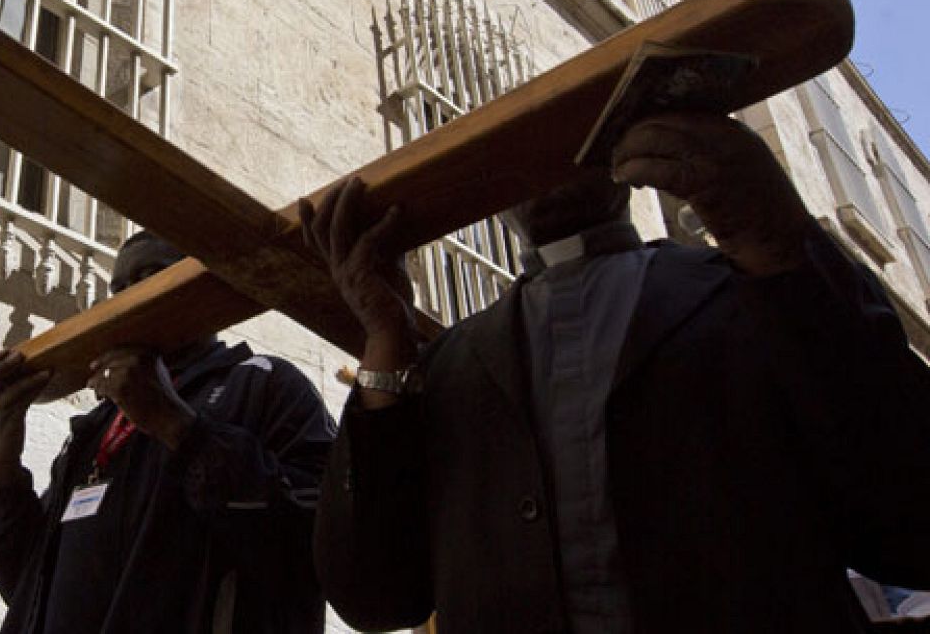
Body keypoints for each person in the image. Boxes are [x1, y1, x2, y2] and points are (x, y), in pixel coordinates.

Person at [301, 111, 930, 633]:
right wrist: (386, 345)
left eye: (575, 128)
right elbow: (375, 597)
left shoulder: (755, 296)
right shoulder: (451, 363)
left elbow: (909, 518)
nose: (552, 157)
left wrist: (779, 243)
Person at [0, 230, 337, 634]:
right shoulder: (96, 427)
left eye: (149, 276)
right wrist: (4, 467)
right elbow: (27, 583)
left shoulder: (265, 386)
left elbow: (321, 542)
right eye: (118, 288)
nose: (129, 297)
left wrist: (176, 425)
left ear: (201, 284)